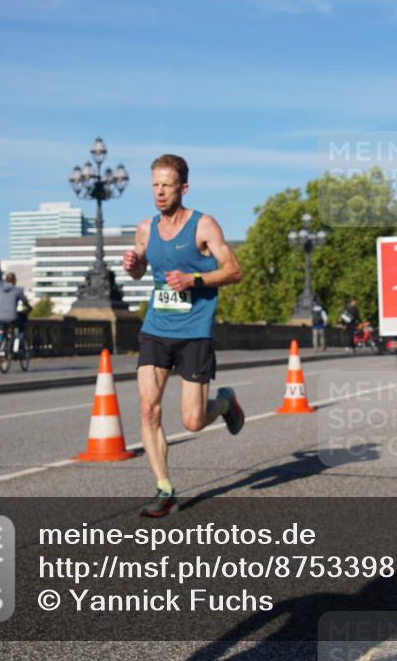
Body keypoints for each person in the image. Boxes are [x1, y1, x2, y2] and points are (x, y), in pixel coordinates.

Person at [121, 154, 245, 518]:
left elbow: (234, 271)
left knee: (192, 421)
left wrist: (196, 280)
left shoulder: (204, 226)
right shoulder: (145, 228)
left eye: (167, 185)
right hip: (157, 328)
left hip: (195, 332)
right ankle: (164, 489)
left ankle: (224, 403)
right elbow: (141, 272)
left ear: (183, 187)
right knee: (148, 408)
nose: (159, 192)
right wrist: (134, 266)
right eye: (155, 185)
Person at [0, 272, 31, 343]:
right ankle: (18, 342)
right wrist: (29, 308)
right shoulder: (18, 290)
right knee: (21, 327)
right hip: (12, 317)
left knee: (0, 331)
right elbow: (25, 302)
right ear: (14, 280)